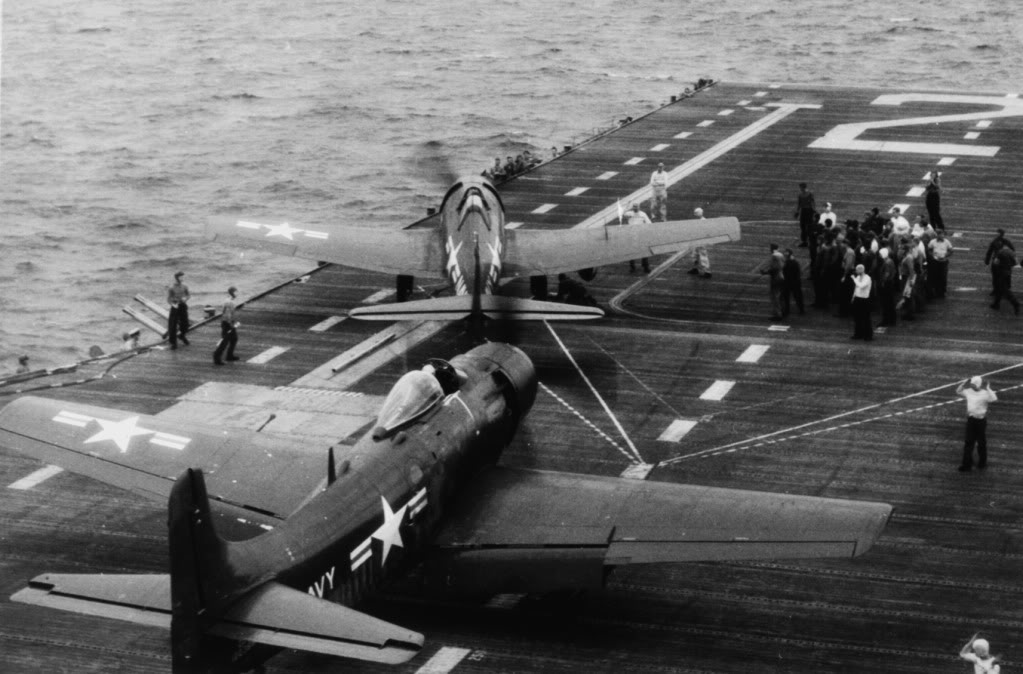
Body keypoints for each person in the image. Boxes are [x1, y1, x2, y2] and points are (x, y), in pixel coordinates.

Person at [956, 377, 997, 472]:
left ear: (978, 384)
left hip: (980, 421)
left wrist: (988, 389)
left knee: (981, 443)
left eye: (973, 384)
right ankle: (967, 464)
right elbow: (958, 391)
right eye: (971, 384)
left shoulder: (985, 394)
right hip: (971, 420)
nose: (972, 386)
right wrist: (963, 383)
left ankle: (982, 463)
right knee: (969, 442)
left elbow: (994, 399)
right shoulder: (969, 391)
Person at [989, 239, 1020, 315]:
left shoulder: (1000, 252)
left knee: (1004, 289)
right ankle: (996, 304)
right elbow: (1016, 263)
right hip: (1008, 272)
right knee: (1000, 288)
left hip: (1001, 273)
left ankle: (1015, 303)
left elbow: (995, 262)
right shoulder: (1011, 252)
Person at [212, 286, 240, 366]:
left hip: (229, 322)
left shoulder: (228, 300)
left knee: (234, 339)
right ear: (232, 293)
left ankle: (229, 355)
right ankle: (216, 357)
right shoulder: (230, 302)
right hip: (227, 323)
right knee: (224, 341)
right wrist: (231, 324)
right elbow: (227, 315)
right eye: (236, 292)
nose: (237, 294)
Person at [984, 229, 1014, 296]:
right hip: (998, 262)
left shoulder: (1004, 242)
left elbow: (1012, 251)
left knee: (1004, 276)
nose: (996, 235)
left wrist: (987, 260)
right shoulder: (998, 242)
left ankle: (1004, 290)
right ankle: (997, 289)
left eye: (997, 233)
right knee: (996, 276)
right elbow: (990, 251)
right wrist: (987, 260)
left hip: (1003, 262)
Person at [624, 203, 652, 273]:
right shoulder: (629, 213)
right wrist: (627, 207)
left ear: (639, 207)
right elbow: (623, 214)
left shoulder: (643, 214)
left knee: (644, 250)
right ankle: (632, 267)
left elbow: (649, 223)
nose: (635, 208)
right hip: (632, 234)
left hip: (640, 234)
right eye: (634, 207)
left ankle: (645, 267)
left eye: (636, 207)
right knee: (631, 251)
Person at [760, 243, 785, 320]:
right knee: (780, 295)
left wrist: (765, 272)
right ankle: (782, 311)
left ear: (771, 248)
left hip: (776, 278)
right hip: (781, 276)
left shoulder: (774, 256)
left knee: (774, 297)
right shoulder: (781, 254)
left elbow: (774, 268)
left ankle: (778, 314)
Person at [166, 271, 191, 349]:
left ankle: (182, 335)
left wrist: (185, 299)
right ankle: (173, 343)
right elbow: (168, 299)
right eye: (181, 277)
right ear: (177, 278)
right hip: (175, 306)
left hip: (182, 305)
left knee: (185, 324)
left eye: (183, 277)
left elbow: (188, 295)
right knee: (172, 325)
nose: (182, 278)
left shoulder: (184, 286)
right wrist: (173, 304)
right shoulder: (171, 287)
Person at [686, 207, 711, 277]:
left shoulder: (704, 221)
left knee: (703, 256)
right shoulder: (697, 221)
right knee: (694, 255)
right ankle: (695, 268)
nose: (695, 215)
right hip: (696, 240)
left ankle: (707, 271)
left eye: (696, 213)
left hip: (701, 241)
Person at [850, 264, 873, 340]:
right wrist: (853, 297)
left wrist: (854, 279)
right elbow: (856, 288)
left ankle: (868, 335)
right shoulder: (858, 277)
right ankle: (858, 334)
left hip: (864, 300)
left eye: (857, 270)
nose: (856, 271)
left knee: (866, 318)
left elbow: (861, 286)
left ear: (861, 270)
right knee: (857, 318)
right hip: (857, 298)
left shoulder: (867, 278)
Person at [928, 229, 953, 298]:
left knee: (943, 277)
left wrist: (945, 255)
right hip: (935, 262)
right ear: (937, 235)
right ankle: (935, 291)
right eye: (939, 234)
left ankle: (942, 292)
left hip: (943, 262)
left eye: (942, 234)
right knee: (935, 276)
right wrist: (932, 256)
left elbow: (951, 250)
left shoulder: (947, 242)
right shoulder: (932, 242)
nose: (941, 236)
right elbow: (929, 250)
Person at [780, 248, 804, 316]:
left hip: (791, 282)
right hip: (792, 282)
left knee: (793, 296)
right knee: (793, 296)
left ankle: (788, 310)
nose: (785, 254)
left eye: (786, 253)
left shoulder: (791, 262)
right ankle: (799, 309)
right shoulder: (792, 261)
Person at [793, 182, 816, 247]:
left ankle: (810, 241)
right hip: (803, 211)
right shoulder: (800, 195)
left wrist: (814, 210)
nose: (800, 189)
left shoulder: (809, 194)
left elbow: (812, 202)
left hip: (809, 211)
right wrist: (797, 212)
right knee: (802, 226)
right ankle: (804, 241)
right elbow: (799, 204)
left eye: (800, 187)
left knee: (809, 226)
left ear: (803, 187)